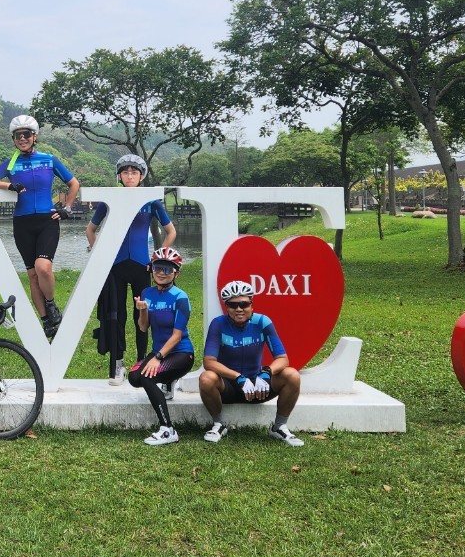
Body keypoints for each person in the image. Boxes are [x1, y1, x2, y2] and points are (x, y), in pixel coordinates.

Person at [0, 114, 80, 336]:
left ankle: (51, 305)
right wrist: (8, 186)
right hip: (22, 223)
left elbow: (73, 183)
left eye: (26, 134)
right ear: (13, 139)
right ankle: (46, 321)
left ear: (35, 137)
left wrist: (67, 208)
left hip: (47, 220)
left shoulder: (49, 159)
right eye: (17, 135)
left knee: (43, 267)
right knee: (32, 275)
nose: (22, 138)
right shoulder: (11, 164)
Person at [86, 153, 176, 383]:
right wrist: (100, 256)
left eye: (134, 172)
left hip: (141, 266)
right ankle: (118, 364)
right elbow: (90, 230)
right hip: (116, 266)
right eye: (125, 172)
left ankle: (141, 360)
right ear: (119, 176)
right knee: (116, 316)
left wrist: (157, 259)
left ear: (141, 176)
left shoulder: (151, 202)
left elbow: (171, 232)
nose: (129, 176)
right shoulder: (109, 200)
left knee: (141, 314)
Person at [199, 280, 304, 447]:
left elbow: (283, 358)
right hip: (229, 387)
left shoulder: (262, 322)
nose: (239, 309)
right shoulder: (218, 324)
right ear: (226, 307)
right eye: (233, 305)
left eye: (244, 304)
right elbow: (209, 362)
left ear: (251, 305)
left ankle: (279, 427)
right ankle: (219, 425)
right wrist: (238, 377)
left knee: (292, 375)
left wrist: (266, 373)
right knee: (206, 378)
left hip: (258, 388)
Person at [129, 248, 194, 446]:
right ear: (152, 269)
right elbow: (143, 327)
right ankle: (168, 380)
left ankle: (168, 429)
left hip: (181, 353)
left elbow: (177, 336)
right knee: (134, 377)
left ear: (176, 273)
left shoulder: (180, 297)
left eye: (167, 269)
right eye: (158, 267)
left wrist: (157, 358)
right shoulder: (147, 293)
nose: (161, 273)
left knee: (147, 377)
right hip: (159, 352)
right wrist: (142, 311)